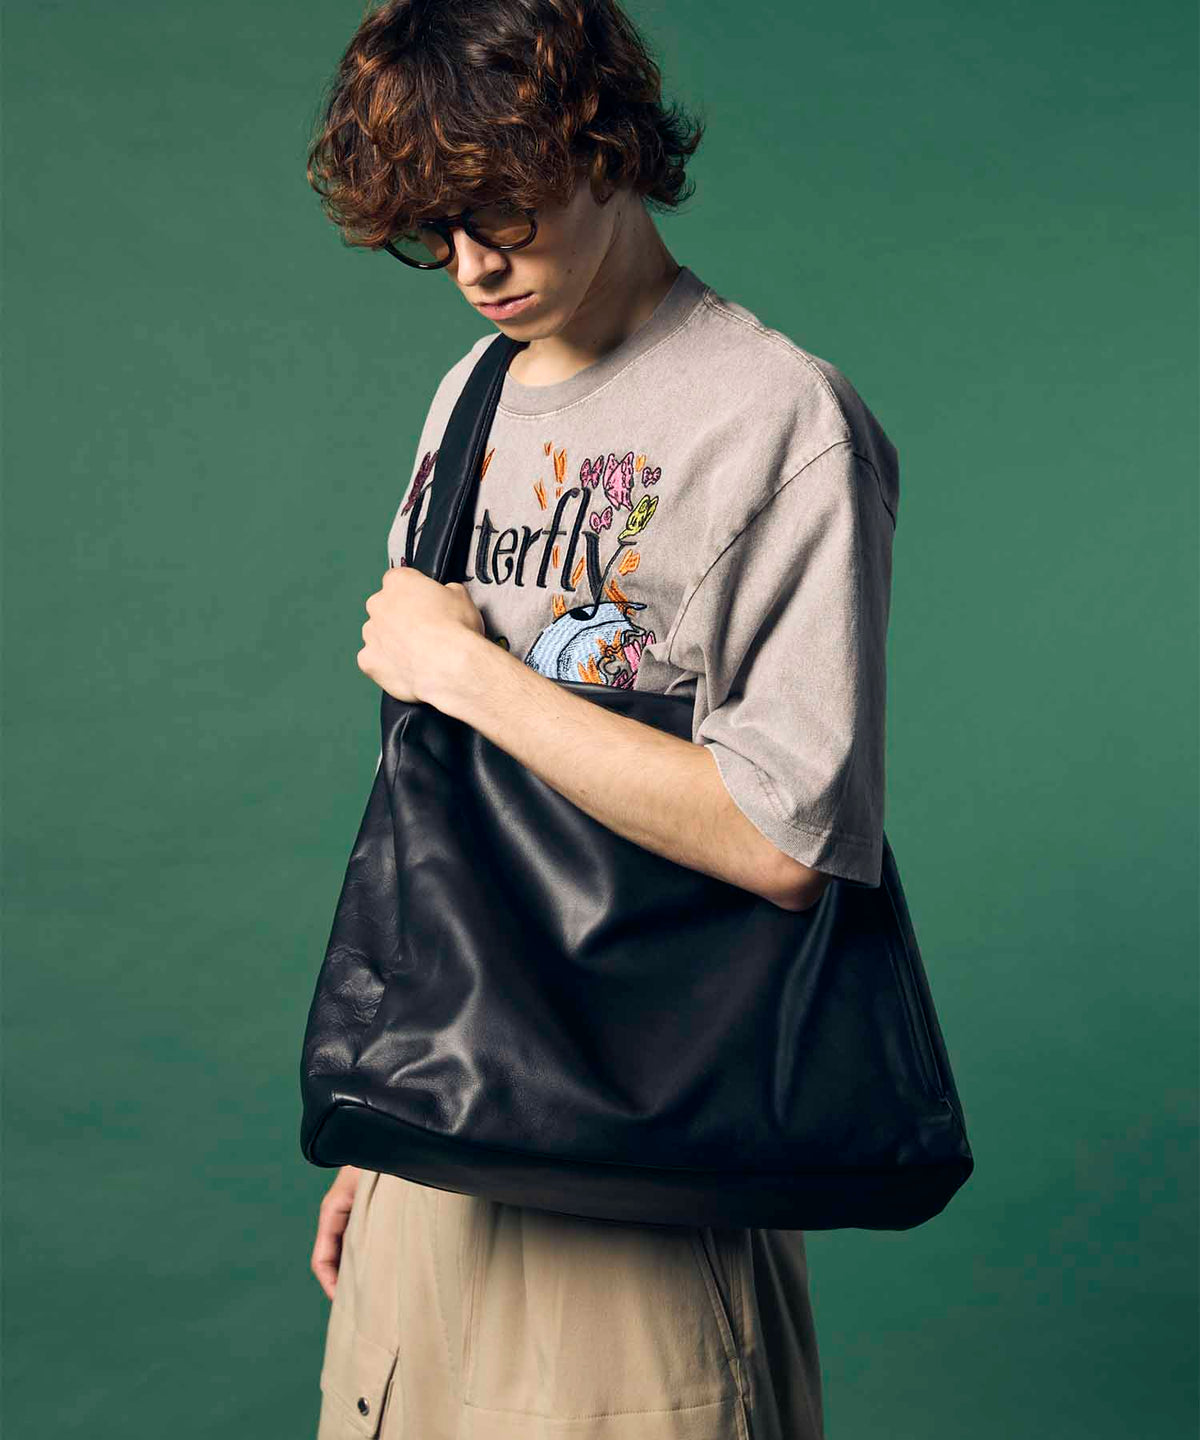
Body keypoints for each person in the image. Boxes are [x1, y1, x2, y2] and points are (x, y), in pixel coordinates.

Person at [305, 2, 898, 1436]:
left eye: (499, 211)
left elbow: (786, 839)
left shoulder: (776, 419)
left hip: (644, 1176)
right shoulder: (472, 394)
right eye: (434, 234)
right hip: (440, 1153)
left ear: (607, 148)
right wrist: (392, 1111)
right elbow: (443, 809)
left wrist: (470, 674)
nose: (473, 267)